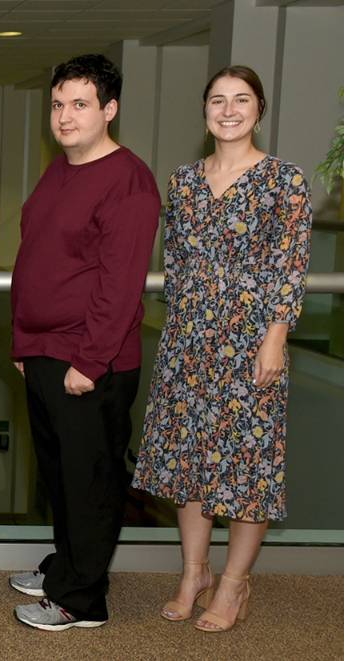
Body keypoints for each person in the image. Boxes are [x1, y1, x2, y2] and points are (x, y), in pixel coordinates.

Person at [131, 66, 312, 633]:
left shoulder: (286, 181)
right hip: (188, 341)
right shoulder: (183, 181)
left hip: (252, 343)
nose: (228, 110)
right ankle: (193, 574)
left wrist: (276, 338)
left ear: (260, 109)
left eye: (241, 100)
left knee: (247, 468)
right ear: (204, 109)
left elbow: (290, 266)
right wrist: (175, 335)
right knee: (188, 463)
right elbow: (178, 265)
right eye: (217, 99)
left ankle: (234, 583)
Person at [8, 54, 160, 631]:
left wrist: (89, 363)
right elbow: (38, 260)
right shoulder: (59, 169)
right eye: (57, 104)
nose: (65, 117)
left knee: (91, 479)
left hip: (89, 360)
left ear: (109, 109)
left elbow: (120, 287)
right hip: (46, 352)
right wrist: (25, 344)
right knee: (60, 475)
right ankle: (66, 567)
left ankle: (82, 601)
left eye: (80, 105)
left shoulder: (129, 180)